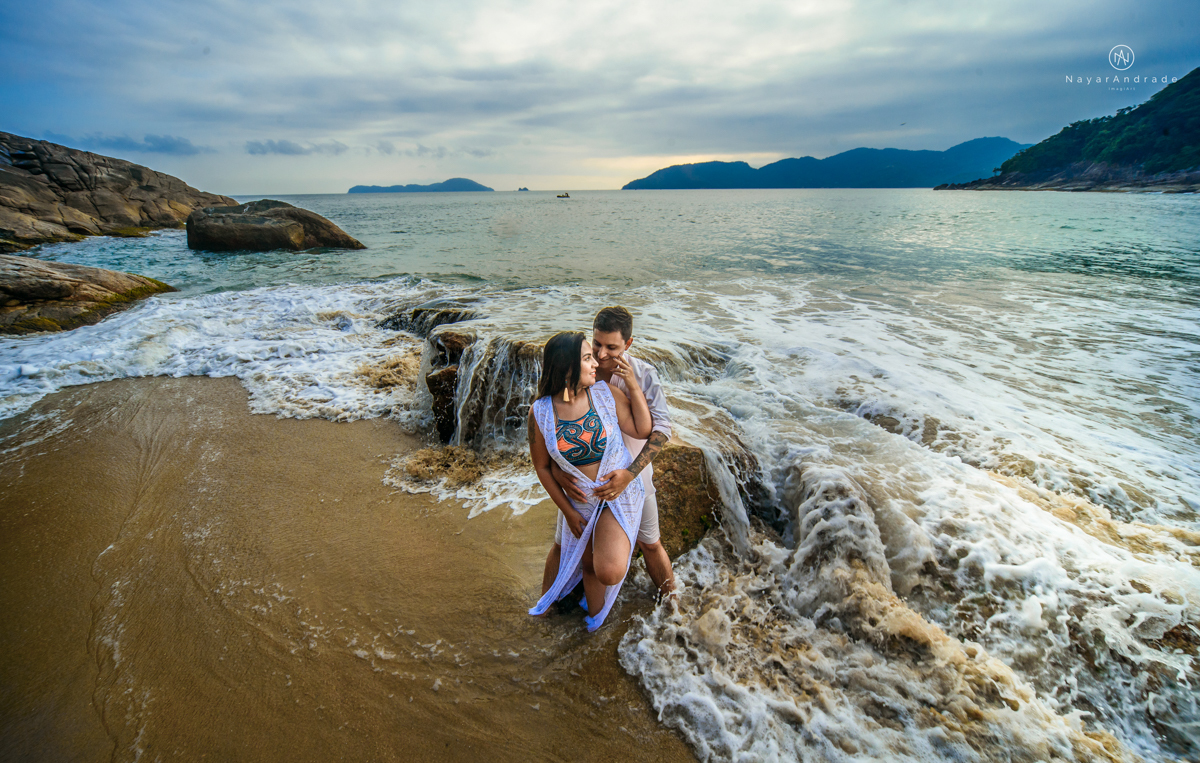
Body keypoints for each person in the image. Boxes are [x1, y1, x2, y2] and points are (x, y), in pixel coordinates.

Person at [540, 306, 676, 601]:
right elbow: (554, 422)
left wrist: (630, 474)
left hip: (633, 477)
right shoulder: (579, 369)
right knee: (562, 545)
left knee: (651, 543)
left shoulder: (642, 374)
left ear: (628, 344)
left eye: (611, 347)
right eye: (597, 344)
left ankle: (673, 602)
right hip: (584, 481)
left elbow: (660, 429)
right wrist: (556, 468)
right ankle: (547, 605)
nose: (601, 355)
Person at [527, 331, 653, 630]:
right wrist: (568, 512)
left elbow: (642, 428)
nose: (595, 362)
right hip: (579, 500)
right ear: (568, 367)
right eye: (587, 358)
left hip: (618, 493)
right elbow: (543, 468)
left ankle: (595, 608)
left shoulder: (605, 394)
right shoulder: (540, 413)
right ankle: (595, 621)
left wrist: (633, 385)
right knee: (586, 563)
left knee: (607, 570)